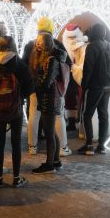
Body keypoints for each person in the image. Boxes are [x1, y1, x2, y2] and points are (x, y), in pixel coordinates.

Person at [0, 36, 33, 187]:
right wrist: (20, 97)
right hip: (15, 110)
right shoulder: (18, 63)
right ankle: (16, 178)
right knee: (16, 143)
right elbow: (30, 85)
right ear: (13, 47)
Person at [22, 17, 72, 157]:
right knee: (58, 116)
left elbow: (24, 65)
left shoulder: (30, 45)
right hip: (53, 89)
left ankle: (33, 146)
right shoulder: (56, 45)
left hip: (34, 87)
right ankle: (62, 147)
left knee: (33, 115)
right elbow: (66, 65)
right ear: (51, 29)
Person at [30, 33, 67, 174]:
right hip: (49, 98)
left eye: (39, 42)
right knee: (51, 131)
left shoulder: (52, 60)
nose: (36, 44)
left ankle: (49, 164)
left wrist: (34, 86)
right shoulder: (47, 57)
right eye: (36, 41)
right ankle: (56, 161)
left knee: (49, 132)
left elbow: (46, 82)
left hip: (49, 99)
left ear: (46, 43)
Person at [78, 23, 110, 155]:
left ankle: (88, 145)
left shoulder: (92, 46)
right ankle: (101, 146)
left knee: (87, 114)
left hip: (96, 85)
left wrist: (84, 84)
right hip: (108, 86)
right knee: (103, 114)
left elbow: (88, 68)